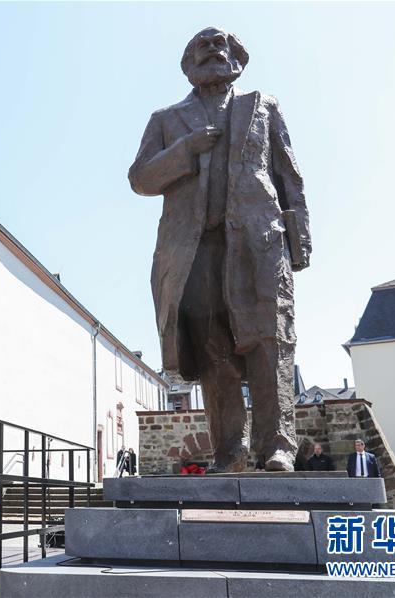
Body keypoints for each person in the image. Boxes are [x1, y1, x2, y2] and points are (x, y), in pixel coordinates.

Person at [128, 27, 311, 473]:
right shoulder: (167, 119)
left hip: (258, 241)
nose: (213, 51)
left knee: (270, 340)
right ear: (188, 64)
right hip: (193, 248)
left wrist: (299, 237)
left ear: (237, 59)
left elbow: (288, 174)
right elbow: (140, 179)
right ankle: (230, 449)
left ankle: (277, 447)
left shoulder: (262, 107)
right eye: (202, 46)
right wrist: (185, 149)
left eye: (221, 46)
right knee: (213, 349)